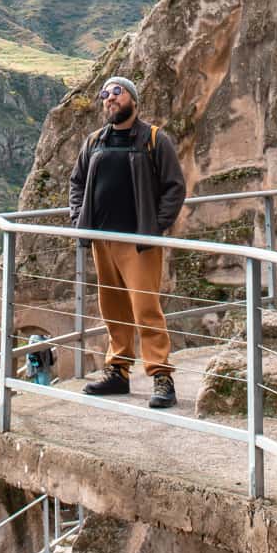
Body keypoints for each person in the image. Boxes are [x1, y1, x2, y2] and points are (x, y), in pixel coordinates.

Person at [69, 76, 186, 409]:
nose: (109, 99)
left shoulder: (153, 139)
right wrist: (79, 219)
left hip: (138, 243)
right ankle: (118, 372)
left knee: (146, 309)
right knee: (113, 309)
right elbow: (76, 182)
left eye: (116, 93)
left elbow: (174, 186)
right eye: (105, 95)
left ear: (133, 100)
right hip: (102, 240)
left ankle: (162, 377)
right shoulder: (94, 141)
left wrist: (155, 226)